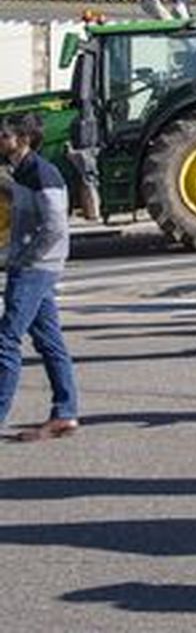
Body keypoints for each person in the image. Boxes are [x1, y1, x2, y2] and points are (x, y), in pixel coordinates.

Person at [0, 113, 80, 440]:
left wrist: (24, 258)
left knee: (6, 340)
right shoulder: (22, 171)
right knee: (49, 341)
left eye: (3, 134)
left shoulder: (42, 173)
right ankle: (65, 412)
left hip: (35, 269)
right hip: (34, 266)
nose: (0, 139)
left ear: (22, 139)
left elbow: (56, 227)